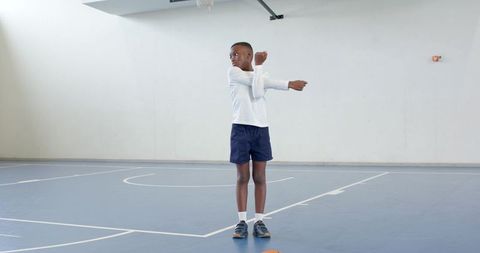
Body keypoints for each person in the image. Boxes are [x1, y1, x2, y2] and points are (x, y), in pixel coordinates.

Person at [228, 42, 307, 239]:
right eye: (231, 55)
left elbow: (261, 86)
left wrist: (287, 83)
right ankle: (241, 222)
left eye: (236, 54)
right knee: (242, 177)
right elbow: (257, 90)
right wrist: (262, 68)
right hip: (240, 129)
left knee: (260, 177)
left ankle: (260, 221)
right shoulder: (233, 73)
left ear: (249, 55)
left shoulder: (260, 76)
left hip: (261, 131)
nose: (232, 58)